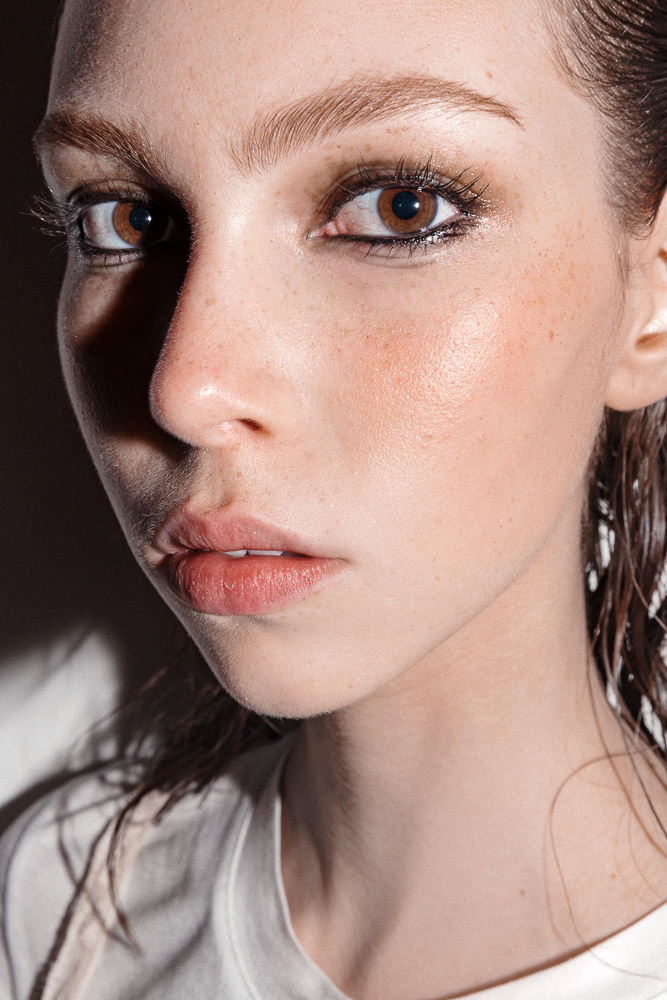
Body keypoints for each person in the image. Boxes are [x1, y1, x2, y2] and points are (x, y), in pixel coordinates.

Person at [3, 0, 667, 996]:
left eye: (399, 207)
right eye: (122, 217)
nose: (185, 389)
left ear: (654, 298)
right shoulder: (56, 901)